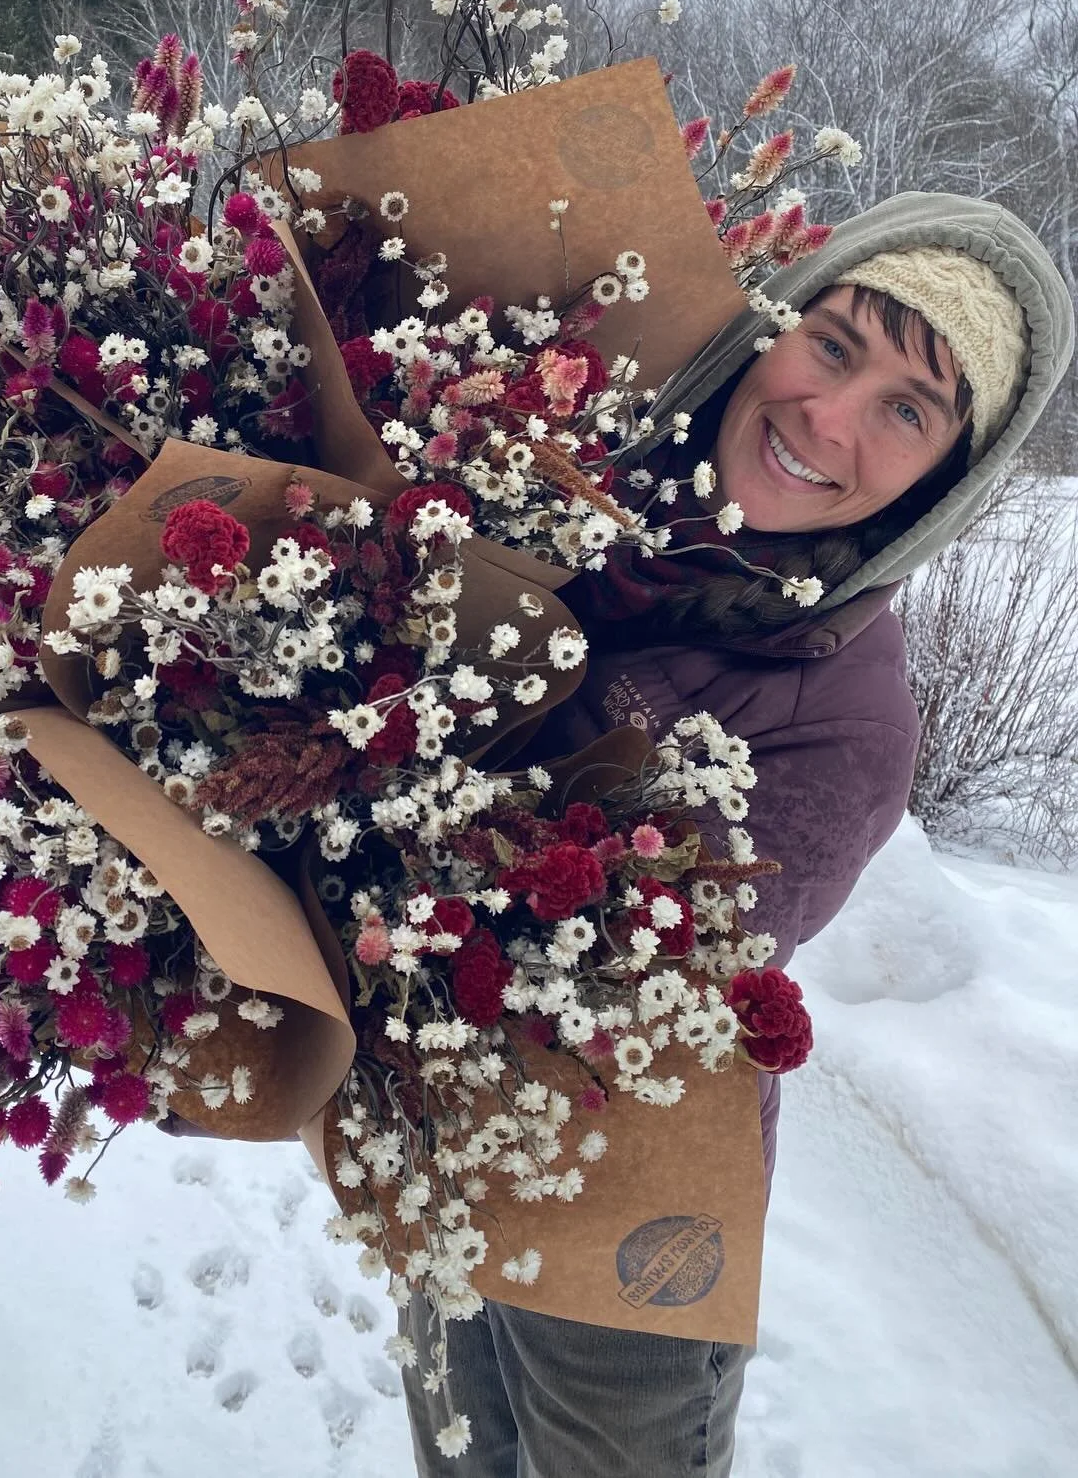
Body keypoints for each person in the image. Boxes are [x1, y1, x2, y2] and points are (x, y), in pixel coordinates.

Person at [400, 191, 1074, 1477]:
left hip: (631, 1188)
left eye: (908, 410)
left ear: (940, 484)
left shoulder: (847, 722)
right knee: (459, 1445)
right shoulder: (553, 472)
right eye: (834, 344)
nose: (830, 417)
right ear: (771, 325)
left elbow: (636, 975)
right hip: (432, 1112)